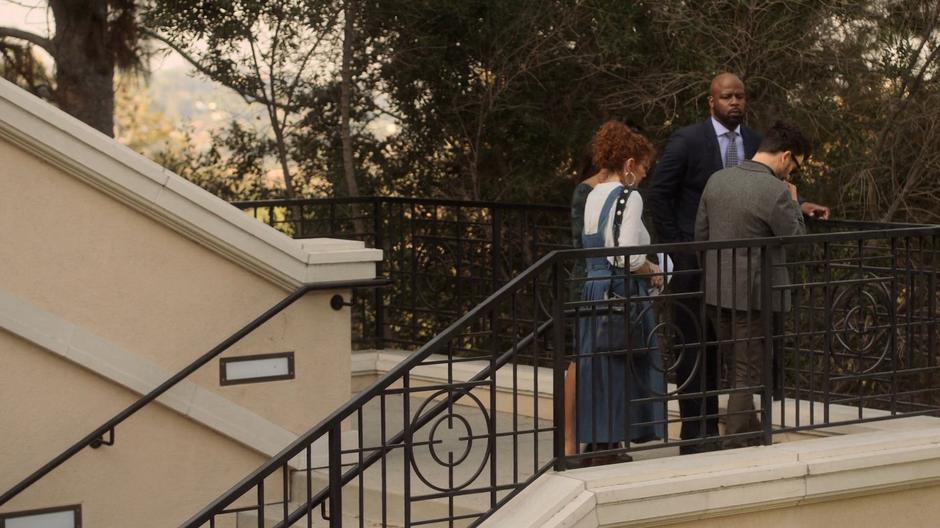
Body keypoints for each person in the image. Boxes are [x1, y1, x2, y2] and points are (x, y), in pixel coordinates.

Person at [646, 72, 829, 454]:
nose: (735, 102)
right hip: (706, 272)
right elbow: (660, 196)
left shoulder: (751, 146)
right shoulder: (687, 141)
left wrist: (800, 204)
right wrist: (680, 253)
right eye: (727, 96)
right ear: (711, 100)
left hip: (722, 275)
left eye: (741, 96)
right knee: (706, 355)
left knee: (735, 358)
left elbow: (758, 199)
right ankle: (701, 436)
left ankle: (737, 433)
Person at [694, 121, 809, 447]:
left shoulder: (717, 179)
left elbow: (700, 236)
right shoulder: (775, 191)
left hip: (716, 292)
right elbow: (796, 239)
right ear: (786, 156)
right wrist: (795, 203)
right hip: (755, 296)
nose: (792, 173)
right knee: (747, 373)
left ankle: (754, 435)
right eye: (796, 166)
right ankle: (732, 447)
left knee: (737, 366)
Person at [576, 121, 666, 462]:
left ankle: (599, 441)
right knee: (624, 362)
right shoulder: (631, 197)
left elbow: (598, 247)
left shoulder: (592, 194)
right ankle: (610, 444)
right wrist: (652, 269)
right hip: (621, 289)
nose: (644, 175)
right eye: (643, 168)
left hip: (594, 288)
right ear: (629, 165)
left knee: (598, 365)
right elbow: (626, 256)